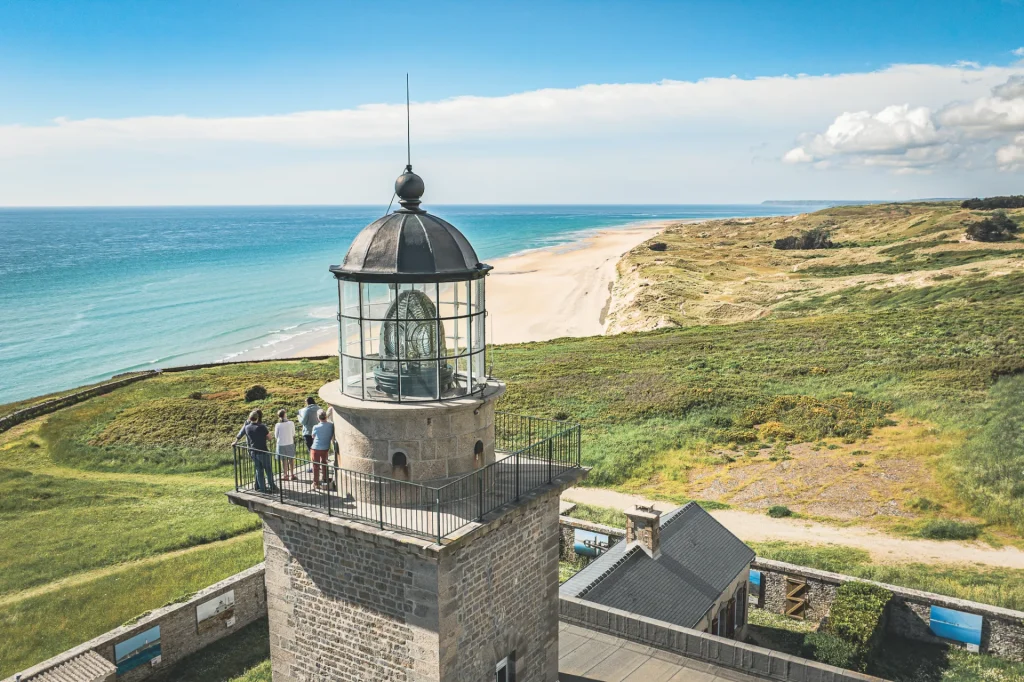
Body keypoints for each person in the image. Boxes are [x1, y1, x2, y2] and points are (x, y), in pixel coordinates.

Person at [236, 409, 276, 493]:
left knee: (259, 470)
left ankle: (262, 488)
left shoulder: (247, 427)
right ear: (257, 418)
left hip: (253, 451)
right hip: (263, 451)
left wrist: (236, 441)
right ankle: (272, 486)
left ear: (250, 418)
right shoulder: (262, 427)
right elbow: (269, 438)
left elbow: (243, 433)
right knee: (268, 469)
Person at [310, 408, 335, 490]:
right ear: (326, 417)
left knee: (315, 466)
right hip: (325, 448)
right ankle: (325, 478)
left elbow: (313, 436)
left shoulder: (316, 427)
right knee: (324, 463)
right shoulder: (331, 425)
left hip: (316, 448)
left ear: (318, 418)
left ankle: (315, 483)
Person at [274, 409, 297, 482]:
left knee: (283, 460)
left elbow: (276, 436)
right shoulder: (291, 423)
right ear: (285, 415)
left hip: (281, 444)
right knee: (291, 459)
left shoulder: (278, 425)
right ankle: (292, 474)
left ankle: (285, 475)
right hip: (290, 442)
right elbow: (293, 433)